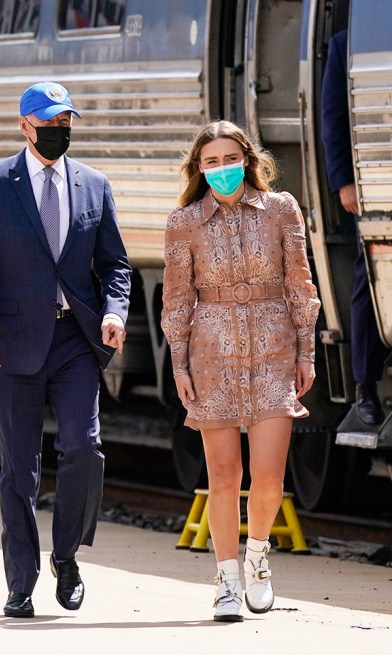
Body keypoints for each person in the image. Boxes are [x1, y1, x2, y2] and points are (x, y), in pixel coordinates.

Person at [0, 82, 131, 618]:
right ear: (24, 125)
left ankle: (68, 555)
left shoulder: (95, 185)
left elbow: (116, 265)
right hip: (10, 345)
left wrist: (113, 311)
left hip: (75, 340)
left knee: (84, 447)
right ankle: (20, 581)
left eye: (67, 121)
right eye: (51, 122)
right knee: (19, 469)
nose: (61, 131)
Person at [161, 120, 320, 622]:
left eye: (231, 159)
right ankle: (226, 582)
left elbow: (300, 283)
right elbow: (176, 301)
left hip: (274, 346)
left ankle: (257, 560)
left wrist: (307, 351)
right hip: (212, 350)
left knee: (269, 477)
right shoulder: (183, 222)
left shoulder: (281, 210)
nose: (222, 169)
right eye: (211, 162)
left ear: (248, 160)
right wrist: (179, 363)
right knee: (224, 475)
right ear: (199, 169)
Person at [321, 28, 388, 425]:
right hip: (371, 179)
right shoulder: (347, 41)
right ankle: (365, 387)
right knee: (369, 273)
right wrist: (344, 180)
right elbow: (333, 114)